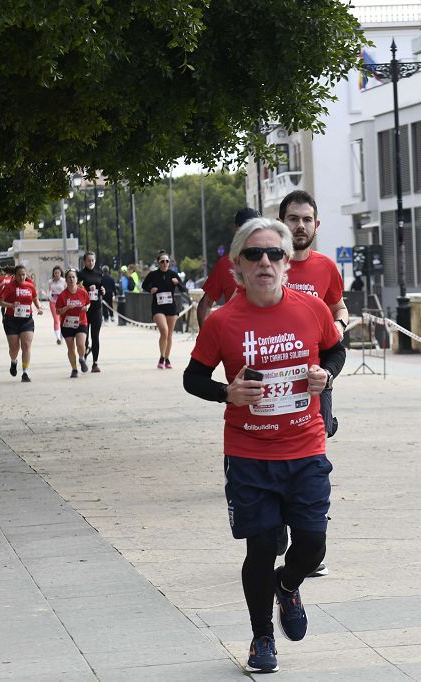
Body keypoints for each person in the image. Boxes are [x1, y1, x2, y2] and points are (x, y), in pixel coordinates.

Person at [183, 218, 345, 673]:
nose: (266, 262)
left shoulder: (310, 310)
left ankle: (288, 585)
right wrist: (226, 392)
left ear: (286, 262)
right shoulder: (222, 322)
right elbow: (192, 378)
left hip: (306, 447)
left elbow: (335, 350)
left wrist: (325, 375)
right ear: (237, 264)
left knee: (312, 545)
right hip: (250, 454)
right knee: (259, 549)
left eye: (275, 253)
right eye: (254, 254)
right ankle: (261, 639)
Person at [278, 190, 349, 576]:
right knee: (281, 453)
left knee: (313, 457)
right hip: (277, 380)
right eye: (293, 219)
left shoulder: (325, 267)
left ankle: (310, 543)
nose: (300, 226)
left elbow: (338, 305)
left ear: (316, 225)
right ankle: (279, 530)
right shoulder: (268, 265)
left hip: (317, 378)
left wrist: (338, 324)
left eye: (306, 219)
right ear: (281, 223)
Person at [197, 208, 258, 327]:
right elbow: (206, 303)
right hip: (237, 337)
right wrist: (205, 338)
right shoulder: (225, 264)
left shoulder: (273, 260)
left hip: (267, 339)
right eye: (247, 228)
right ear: (236, 230)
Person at [0, 264, 44, 382]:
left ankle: (25, 372)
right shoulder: (9, 286)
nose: (22, 277)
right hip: (11, 320)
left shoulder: (30, 285)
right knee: (14, 349)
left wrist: (39, 307)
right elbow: (0, 302)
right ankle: (14, 361)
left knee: (26, 345)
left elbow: (34, 298)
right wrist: (11, 305)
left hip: (26, 319)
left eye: (23, 275)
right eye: (19, 275)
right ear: (15, 276)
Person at [143, 250, 187, 369]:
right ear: (158, 262)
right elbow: (144, 285)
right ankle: (161, 357)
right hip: (158, 307)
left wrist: (177, 283)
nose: (165, 263)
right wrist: (150, 289)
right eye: (162, 261)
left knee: (169, 335)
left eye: (167, 261)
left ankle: (167, 359)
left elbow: (184, 288)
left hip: (171, 307)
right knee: (164, 331)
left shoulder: (173, 274)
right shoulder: (153, 275)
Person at [55, 269, 91, 378]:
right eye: (69, 277)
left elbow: (88, 303)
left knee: (80, 344)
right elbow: (57, 311)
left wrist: (86, 308)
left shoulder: (83, 292)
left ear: (76, 279)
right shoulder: (62, 295)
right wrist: (65, 308)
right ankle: (74, 369)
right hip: (67, 324)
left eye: (73, 277)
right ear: (66, 280)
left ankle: (81, 358)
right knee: (71, 348)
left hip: (81, 322)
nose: (71, 279)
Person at [78, 252, 105, 372]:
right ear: (85, 261)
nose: (91, 262)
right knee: (85, 337)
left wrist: (102, 290)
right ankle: (83, 358)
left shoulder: (99, 273)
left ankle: (95, 363)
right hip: (84, 309)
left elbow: (101, 288)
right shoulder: (80, 274)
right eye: (89, 260)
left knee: (95, 336)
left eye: (93, 260)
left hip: (96, 308)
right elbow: (77, 290)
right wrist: (87, 289)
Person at [47, 266, 67, 344]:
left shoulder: (64, 281)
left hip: (62, 302)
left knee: (62, 320)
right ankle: (58, 337)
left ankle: (62, 337)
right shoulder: (50, 281)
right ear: (53, 274)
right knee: (56, 319)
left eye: (58, 273)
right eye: (55, 273)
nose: (57, 274)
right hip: (53, 302)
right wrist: (48, 296)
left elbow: (66, 291)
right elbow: (49, 290)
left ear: (60, 273)